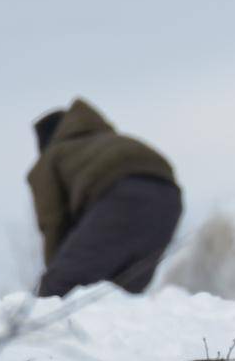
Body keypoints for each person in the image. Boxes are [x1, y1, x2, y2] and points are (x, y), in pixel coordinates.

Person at [27, 98, 182, 298]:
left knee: (60, 285)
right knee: (122, 292)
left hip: (120, 195)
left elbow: (53, 221)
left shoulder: (53, 156)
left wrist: (55, 275)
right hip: (168, 199)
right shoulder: (111, 141)